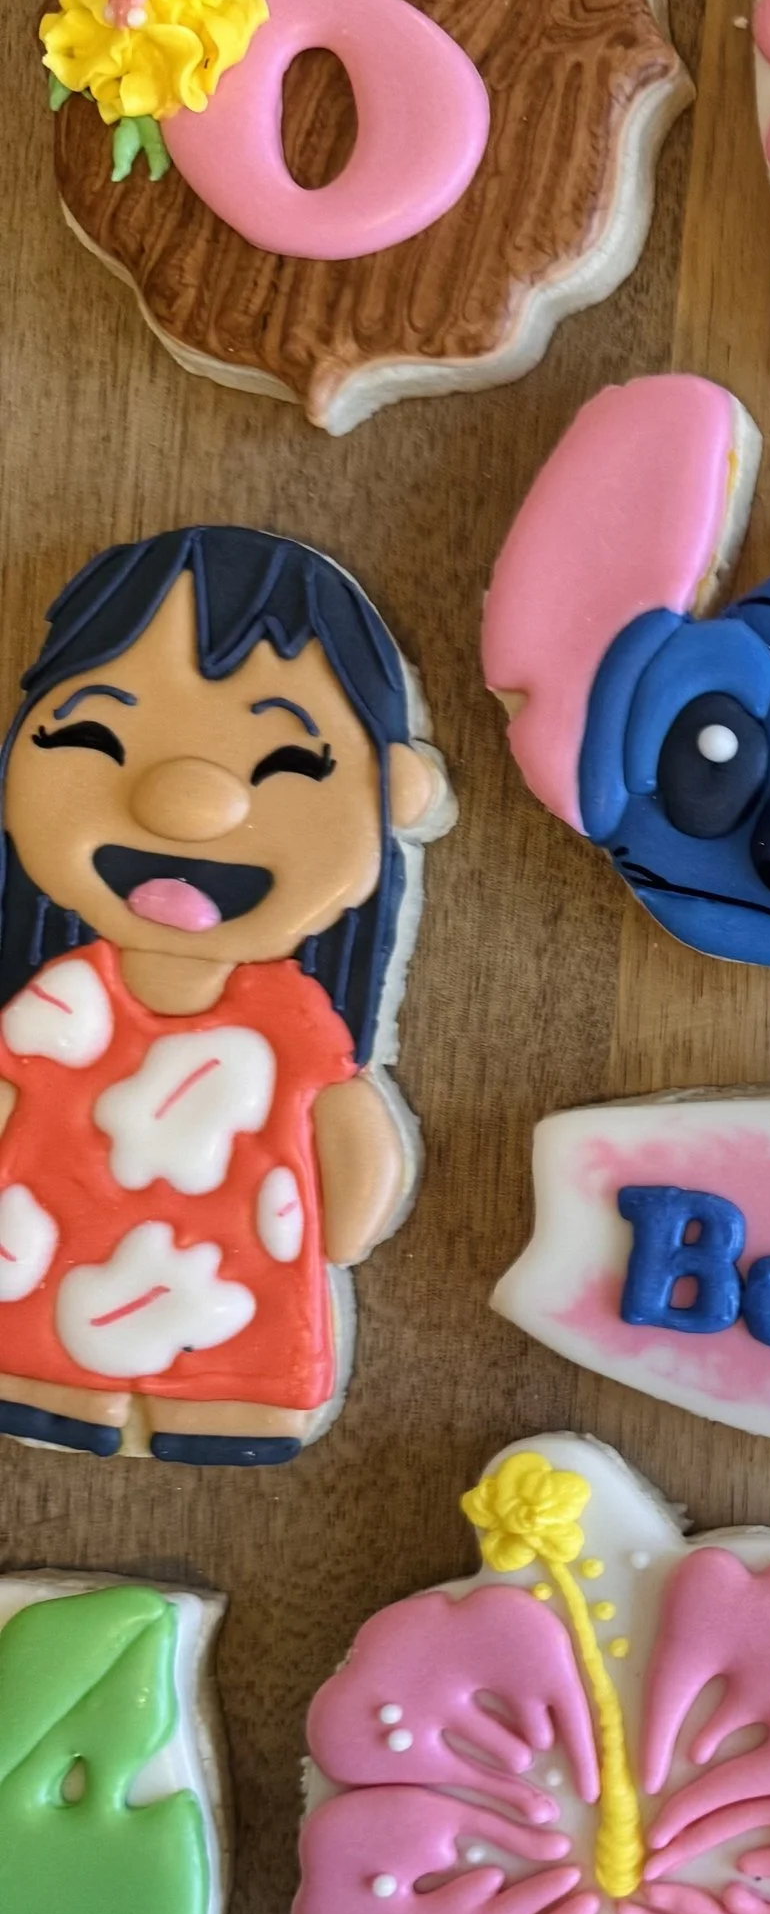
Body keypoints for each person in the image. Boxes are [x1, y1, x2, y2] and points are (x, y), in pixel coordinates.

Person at [0, 524, 448, 1463]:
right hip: (35, 1273)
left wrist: (352, 1209)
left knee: (232, 1372)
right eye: (89, 735)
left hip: (240, 1287)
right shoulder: (56, 1003)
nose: (187, 801)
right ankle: (48, 1390)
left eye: (289, 766)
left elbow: (344, 1120)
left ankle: (226, 1408)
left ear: (396, 792)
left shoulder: (292, 1021)